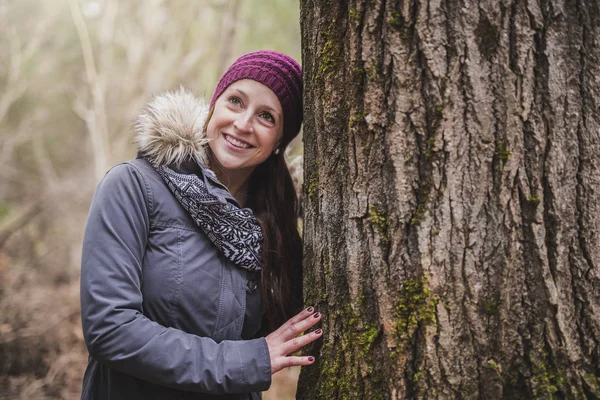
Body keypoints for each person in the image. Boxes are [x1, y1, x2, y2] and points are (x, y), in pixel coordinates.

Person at [80, 50, 321, 400]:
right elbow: (109, 328)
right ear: (213, 107)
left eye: (266, 116)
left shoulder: (278, 227)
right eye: (235, 101)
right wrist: (248, 361)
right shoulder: (133, 187)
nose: (242, 123)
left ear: (279, 144)